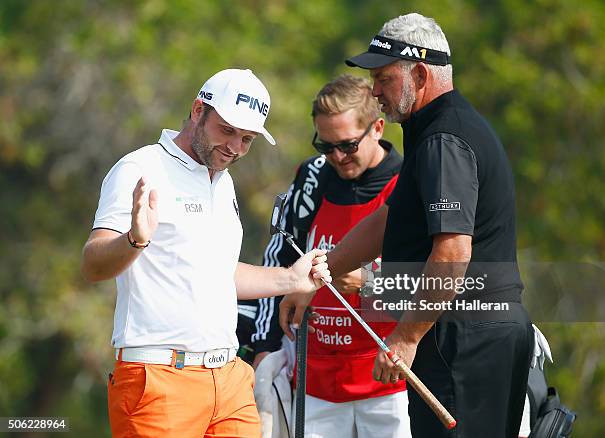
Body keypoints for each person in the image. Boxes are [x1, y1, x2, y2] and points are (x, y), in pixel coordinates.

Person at [279, 13, 534, 438]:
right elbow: (389, 218)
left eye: (383, 78)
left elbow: (453, 252)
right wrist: (319, 275)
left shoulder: (442, 139)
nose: (374, 91)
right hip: (471, 335)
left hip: (464, 339)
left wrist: (405, 337)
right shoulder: (433, 128)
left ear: (419, 73)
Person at [81, 68, 331, 438]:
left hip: (228, 379)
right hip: (160, 380)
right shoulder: (141, 168)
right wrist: (134, 239)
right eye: (227, 130)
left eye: (247, 139)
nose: (235, 147)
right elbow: (93, 264)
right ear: (199, 110)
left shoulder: (222, 179)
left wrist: (290, 278)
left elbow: (219, 273)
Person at [240, 75, 410, 437]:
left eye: (347, 146)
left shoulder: (408, 184)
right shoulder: (312, 179)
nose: (336, 157)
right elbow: (279, 259)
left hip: (387, 382)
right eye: (325, 145)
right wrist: (265, 348)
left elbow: (438, 284)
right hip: (314, 382)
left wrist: (367, 284)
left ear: (377, 128)